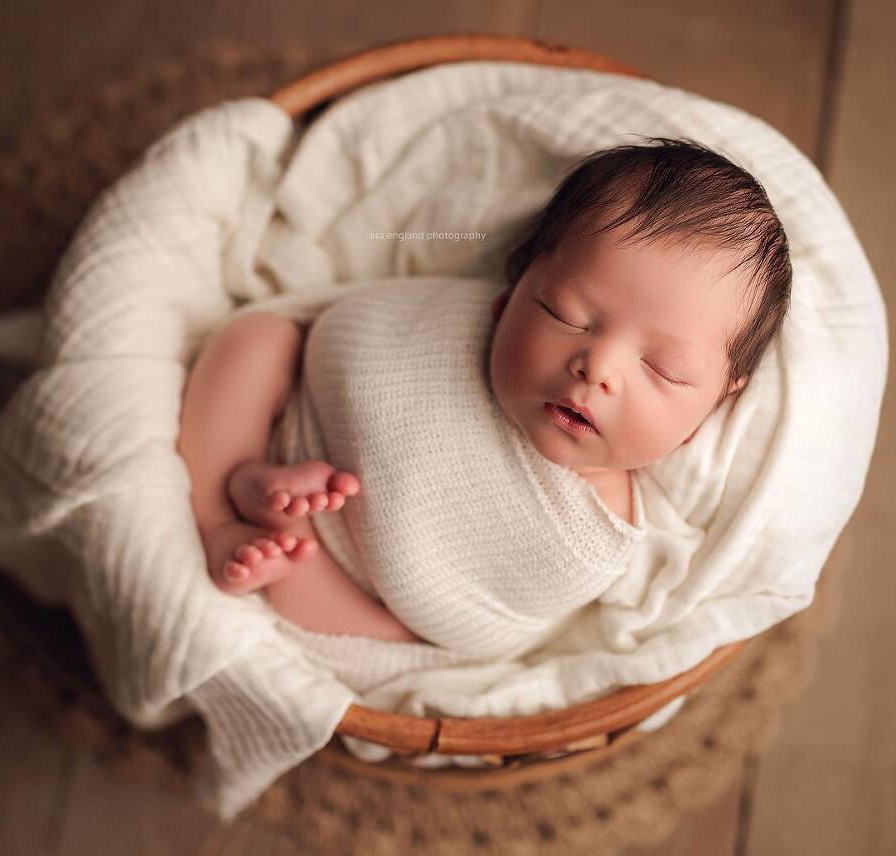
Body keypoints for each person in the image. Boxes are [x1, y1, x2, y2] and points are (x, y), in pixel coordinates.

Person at [176, 137, 791, 644]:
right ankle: (225, 493)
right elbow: (342, 340)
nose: (597, 365)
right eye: (566, 313)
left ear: (714, 406)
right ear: (511, 293)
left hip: (348, 583)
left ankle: (269, 532)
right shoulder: (459, 326)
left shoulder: (583, 544)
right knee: (255, 341)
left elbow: (474, 633)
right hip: (291, 415)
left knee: (378, 628)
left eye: (662, 369)